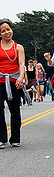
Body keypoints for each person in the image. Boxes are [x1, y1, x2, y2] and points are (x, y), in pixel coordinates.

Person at [0, 20, 27, 148]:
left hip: (14, 81)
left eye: (8, 29)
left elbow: (21, 64)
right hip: (0, 81)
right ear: (0, 34)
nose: (7, 32)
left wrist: (21, 78)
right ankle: (2, 138)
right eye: (3, 31)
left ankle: (15, 138)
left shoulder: (18, 47)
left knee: (14, 110)